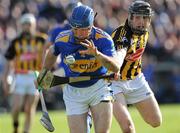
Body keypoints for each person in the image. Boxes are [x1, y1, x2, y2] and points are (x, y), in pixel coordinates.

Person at [37, 4, 120, 133]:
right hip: (73, 92)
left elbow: (115, 67)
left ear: (91, 25)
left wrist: (97, 55)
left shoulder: (103, 39)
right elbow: (52, 52)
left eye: (84, 29)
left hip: (99, 87)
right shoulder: (62, 39)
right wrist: (44, 72)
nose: (79, 33)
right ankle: (87, 119)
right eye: (75, 29)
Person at [111, 1, 162, 133]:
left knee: (156, 121)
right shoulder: (122, 34)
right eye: (138, 17)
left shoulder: (145, 32)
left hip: (136, 78)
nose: (141, 21)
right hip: (114, 81)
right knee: (128, 128)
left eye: (145, 18)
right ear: (130, 17)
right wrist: (115, 67)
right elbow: (119, 54)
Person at [3, 13, 47, 133]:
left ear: (34, 25)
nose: (27, 27)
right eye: (25, 25)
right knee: (16, 107)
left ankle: (26, 131)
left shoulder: (42, 40)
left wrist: (44, 76)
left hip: (35, 76)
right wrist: (5, 78)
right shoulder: (15, 42)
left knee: (29, 108)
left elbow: (48, 57)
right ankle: (16, 126)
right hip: (20, 76)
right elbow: (8, 61)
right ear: (21, 26)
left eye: (29, 24)